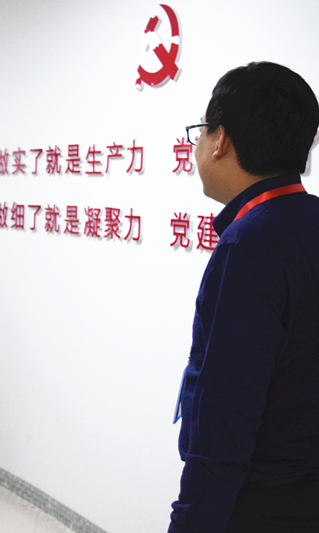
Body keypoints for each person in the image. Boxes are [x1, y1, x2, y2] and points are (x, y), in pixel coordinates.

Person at [170, 62, 319, 533]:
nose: (196, 145)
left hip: (260, 503)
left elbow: (224, 417)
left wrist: (191, 522)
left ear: (221, 141)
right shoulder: (306, 222)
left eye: (200, 131)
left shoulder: (248, 246)